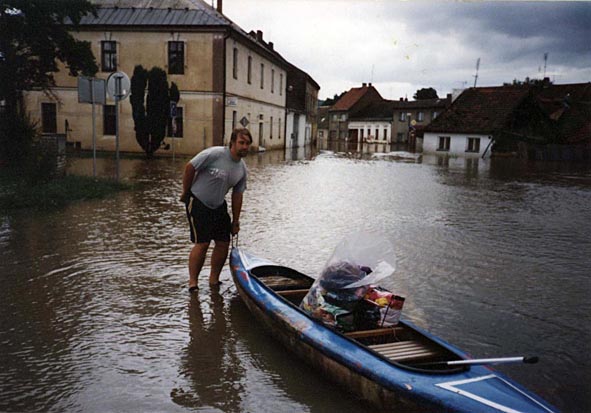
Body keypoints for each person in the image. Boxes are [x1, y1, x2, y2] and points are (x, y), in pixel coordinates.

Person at [180, 128, 252, 292]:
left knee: (223, 243)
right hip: (198, 201)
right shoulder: (214, 154)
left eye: (247, 144)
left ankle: (214, 280)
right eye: (241, 143)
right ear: (232, 142)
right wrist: (186, 191)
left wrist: (235, 221)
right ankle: (193, 282)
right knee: (202, 243)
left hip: (219, 205)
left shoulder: (241, 169)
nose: (245, 147)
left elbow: (237, 195)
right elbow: (190, 167)